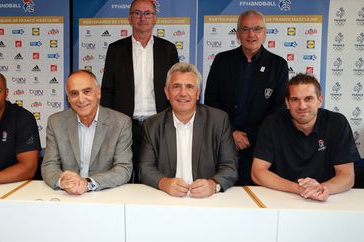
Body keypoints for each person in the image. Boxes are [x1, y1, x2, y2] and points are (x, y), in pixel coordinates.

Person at [204, 10, 289, 185]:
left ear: (265, 33)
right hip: (224, 143)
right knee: (221, 194)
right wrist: (232, 132)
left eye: (257, 29)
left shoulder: (278, 65)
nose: (251, 34)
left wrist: (249, 135)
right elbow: (212, 101)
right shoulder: (222, 60)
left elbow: (278, 109)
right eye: (245, 29)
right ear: (237, 33)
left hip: (260, 148)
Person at [101, 0, 179, 182]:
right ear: (130, 18)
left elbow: (175, 89)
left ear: (154, 19)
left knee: (157, 177)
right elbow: (107, 90)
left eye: (147, 13)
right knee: (123, 177)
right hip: (125, 126)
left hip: (158, 124)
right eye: (137, 13)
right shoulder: (116, 49)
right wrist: (110, 125)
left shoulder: (168, 49)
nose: (142, 18)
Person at [251, 73, 360, 201]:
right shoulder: (272, 123)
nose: (302, 106)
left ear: (319, 101)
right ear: (287, 102)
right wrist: (299, 189)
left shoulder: (337, 123)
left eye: (308, 99)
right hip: (282, 197)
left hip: (327, 199)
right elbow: (257, 172)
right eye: (295, 99)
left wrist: (321, 188)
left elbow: (347, 176)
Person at [139, 62, 238, 198]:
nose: (183, 93)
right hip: (166, 198)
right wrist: (164, 183)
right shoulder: (152, 125)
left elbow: (230, 167)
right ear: (167, 93)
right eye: (176, 86)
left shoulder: (219, 121)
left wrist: (213, 184)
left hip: (208, 200)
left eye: (189, 87)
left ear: (198, 93)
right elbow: (145, 168)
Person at [41, 70, 132, 195]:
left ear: (98, 92)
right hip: (67, 196)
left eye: (87, 91)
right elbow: (49, 165)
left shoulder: (121, 123)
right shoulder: (55, 122)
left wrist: (87, 183)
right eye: (74, 94)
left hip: (104, 194)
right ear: (68, 98)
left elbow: (123, 169)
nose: (81, 99)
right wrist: (64, 181)